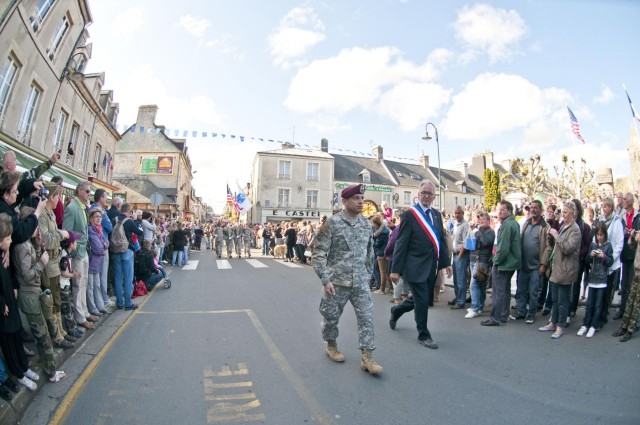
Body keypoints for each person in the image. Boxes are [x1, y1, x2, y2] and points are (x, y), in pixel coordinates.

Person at [312, 184, 382, 374]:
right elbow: (318, 253)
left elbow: (370, 252)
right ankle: (331, 345)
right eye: (355, 198)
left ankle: (367, 357)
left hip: (360, 283)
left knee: (366, 318)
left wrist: (368, 274)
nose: (360, 201)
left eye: (361, 198)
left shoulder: (366, 224)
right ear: (344, 201)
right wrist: (325, 280)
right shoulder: (332, 224)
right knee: (331, 318)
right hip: (336, 283)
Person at [389, 181, 452, 349]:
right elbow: (401, 243)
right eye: (423, 192)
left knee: (422, 300)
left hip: (431, 266)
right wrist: (395, 269)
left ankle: (397, 310)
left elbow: (440, 242)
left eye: (429, 194)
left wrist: (446, 263)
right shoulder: (410, 215)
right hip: (414, 266)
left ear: (434, 197)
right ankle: (424, 334)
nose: (426, 196)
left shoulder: (437, 215)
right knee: (423, 301)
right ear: (418, 194)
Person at [13, 207, 68, 382]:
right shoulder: (22, 247)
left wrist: (37, 245)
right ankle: (51, 372)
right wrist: (42, 263)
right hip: (29, 296)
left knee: (44, 334)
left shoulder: (27, 243)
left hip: (33, 294)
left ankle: (50, 369)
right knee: (42, 336)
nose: (38, 230)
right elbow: (27, 275)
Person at [0, 213, 41, 391]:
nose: (10, 241)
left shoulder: (4, 252)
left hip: (10, 300)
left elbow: (9, 275)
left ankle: (23, 368)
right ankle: (18, 373)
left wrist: (14, 286)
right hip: (3, 308)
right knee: (8, 342)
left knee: (16, 335)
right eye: (7, 238)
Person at [38, 182, 77, 344]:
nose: (59, 199)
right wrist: (62, 234)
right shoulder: (43, 216)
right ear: (51, 197)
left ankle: (61, 331)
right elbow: (46, 239)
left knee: (57, 300)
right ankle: (57, 336)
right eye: (58, 195)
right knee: (53, 300)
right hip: (49, 263)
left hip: (53, 260)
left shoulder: (51, 214)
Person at [538, 201, 581, 339]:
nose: (563, 214)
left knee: (563, 300)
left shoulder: (575, 230)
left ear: (573, 213)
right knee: (555, 299)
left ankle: (560, 326)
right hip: (556, 269)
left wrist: (557, 236)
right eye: (562, 212)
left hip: (566, 270)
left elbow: (568, 248)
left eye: (566, 212)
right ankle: (553, 322)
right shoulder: (563, 226)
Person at [481, 200, 521, 327]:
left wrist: (495, 261)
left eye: (501, 209)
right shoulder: (513, 223)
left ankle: (496, 317)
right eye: (498, 209)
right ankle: (503, 315)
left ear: (508, 211)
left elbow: (503, 248)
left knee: (498, 291)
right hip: (510, 262)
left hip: (503, 263)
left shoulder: (507, 225)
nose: (498, 212)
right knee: (504, 290)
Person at [511, 200, 549, 324]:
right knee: (521, 291)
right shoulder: (526, 223)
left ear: (541, 210)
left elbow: (549, 247)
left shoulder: (545, 227)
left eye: (536, 208)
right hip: (523, 265)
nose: (533, 210)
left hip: (536, 267)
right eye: (531, 208)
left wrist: (543, 265)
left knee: (533, 292)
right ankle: (521, 312)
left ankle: (531, 314)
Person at [578, 221, 613, 338]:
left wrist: (604, 256)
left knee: (598, 305)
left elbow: (610, 262)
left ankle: (594, 325)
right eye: (598, 235)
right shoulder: (593, 245)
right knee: (590, 303)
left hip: (602, 280)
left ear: (605, 235)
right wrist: (591, 255)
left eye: (602, 235)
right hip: (592, 279)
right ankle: (585, 324)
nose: (600, 237)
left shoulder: (608, 246)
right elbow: (587, 261)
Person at [597, 197, 624, 327]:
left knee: (607, 292)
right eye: (603, 206)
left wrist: (612, 257)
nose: (604, 208)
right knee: (600, 290)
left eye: (607, 206)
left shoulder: (617, 221)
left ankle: (603, 317)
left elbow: (619, 243)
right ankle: (598, 314)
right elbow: (596, 238)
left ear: (611, 207)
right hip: (600, 261)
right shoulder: (601, 221)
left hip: (611, 262)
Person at [112, 203, 143, 310]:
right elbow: (140, 232)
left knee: (118, 278)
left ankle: (120, 303)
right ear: (129, 211)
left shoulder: (114, 220)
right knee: (128, 278)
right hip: (127, 250)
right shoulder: (129, 221)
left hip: (115, 251)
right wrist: (135, 220)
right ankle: (128, 303)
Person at [612, 227, 640, 342]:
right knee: (630, 301)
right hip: (637, 272)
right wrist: (632, 237)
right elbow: (631, 246)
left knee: (636, 304)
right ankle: (624, 327)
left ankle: (630, 330)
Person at [465, 211, 495, 319]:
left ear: (488, 221)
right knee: (480, 286)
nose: (481, 221)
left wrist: (476, 233)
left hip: (483, 261)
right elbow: (471, 245)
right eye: (480, 219)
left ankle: (474, 308)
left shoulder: (490, 232)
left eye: (484, 219)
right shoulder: (477, 231)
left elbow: (484, 242)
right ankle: (479, 307)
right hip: (474, 260)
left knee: (474, 285)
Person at [615, 193, 640, 320]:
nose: (622, 201)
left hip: (635, 255)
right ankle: (623, 310)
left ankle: (631, 313)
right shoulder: (621, 216)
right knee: (624, 284)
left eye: (624, 199)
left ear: (630, 201)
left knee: (632, 286)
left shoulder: (637, 216)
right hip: (625, 253)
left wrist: (633, 233)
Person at [89, 189, 113, 308]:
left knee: (97, 279)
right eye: (105, 197)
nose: (106, 200)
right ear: (101, 198)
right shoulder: (100, 210)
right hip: (99, 248)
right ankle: (102, 300)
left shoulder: (95, 209)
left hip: (99, 246)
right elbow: (109, 227)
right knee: (99, 277)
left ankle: (99, 302)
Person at [86, 208, 108, 317]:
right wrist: (103, 246)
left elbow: (106, 243)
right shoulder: (90, 229)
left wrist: (103, 246)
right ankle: (93, 308)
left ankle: (100, 306)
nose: (99, 218)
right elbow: (98, 248)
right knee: (90, 287)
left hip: (97, 262)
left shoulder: (99, 229)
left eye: (100, 216)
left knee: (97, 285)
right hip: (91, 262)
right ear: (91, 218)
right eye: (96, 216)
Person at [449, 206, 471, 309]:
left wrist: (459, 256)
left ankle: (461, 301)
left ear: (462, 213)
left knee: (461, 280)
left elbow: (465, 243)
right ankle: (458, 297)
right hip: (456, 254)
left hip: (461, 255)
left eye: (459, 213)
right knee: (456, 279)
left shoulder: (465, 225)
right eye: (455, 213)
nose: (457, 215)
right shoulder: (456, 224)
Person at [371, 214, 391, 295]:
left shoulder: (380, 233)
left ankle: (382, 289)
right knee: (386, 272)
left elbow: (377, 244)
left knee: (383, 271)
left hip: (381, 252)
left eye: (373, 223)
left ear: (376, 223)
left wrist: (373, 240)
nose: (373, 225)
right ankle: (390, 287)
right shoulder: (385, 230)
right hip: (385, 252)